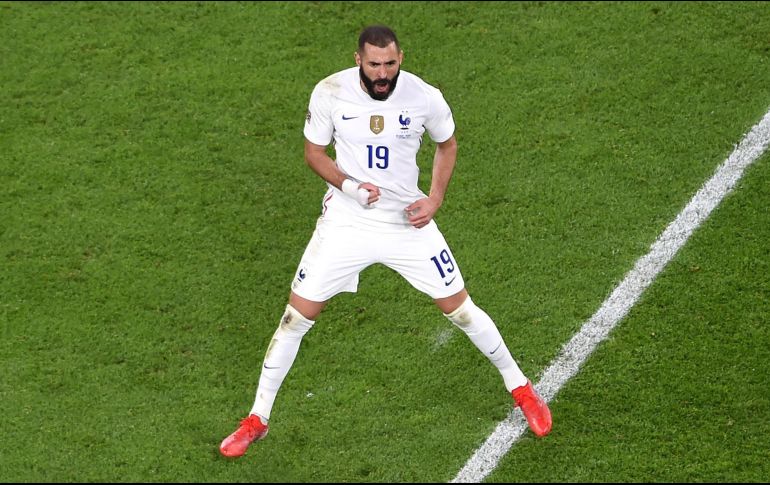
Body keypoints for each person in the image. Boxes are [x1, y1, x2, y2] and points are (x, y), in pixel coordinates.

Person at [220, 25, 551, 458]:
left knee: (461, 310)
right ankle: (257, 419)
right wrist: (350, 186)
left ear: (401, 59)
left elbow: (447, 145)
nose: (382, 74)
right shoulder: (330, 92)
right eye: (374, 64)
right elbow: (313, 154)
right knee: (296, 317)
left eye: (390, 64)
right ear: (358, 59)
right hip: (346, 222)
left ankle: (521, 389)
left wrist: (434, 199)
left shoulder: (424, 96)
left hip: (404, 222)